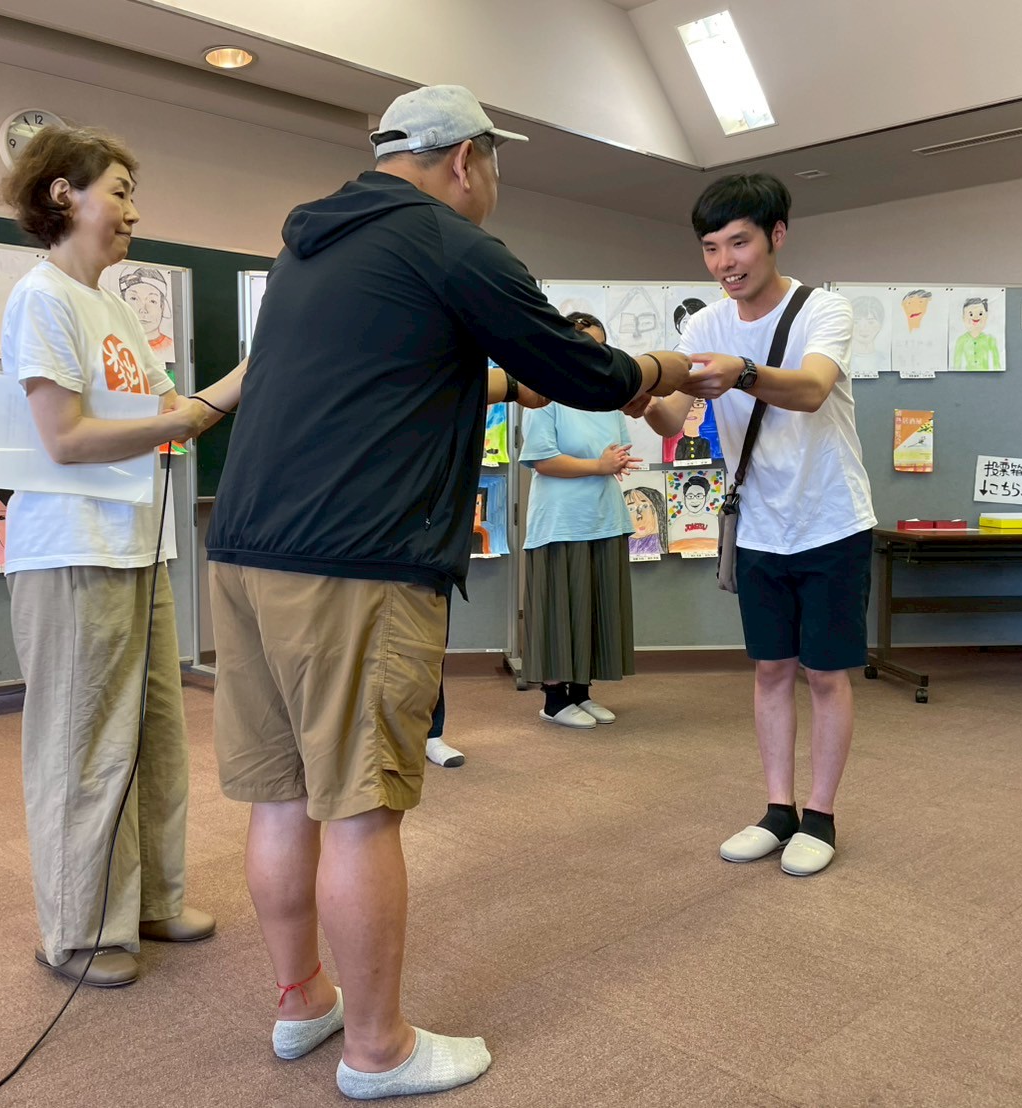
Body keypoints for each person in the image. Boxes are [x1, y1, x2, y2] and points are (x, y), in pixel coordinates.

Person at [206, 84, 691, 1100]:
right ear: (466, 158)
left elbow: (405, 373)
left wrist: (516, 378)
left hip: (246, 551)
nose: (494, 181)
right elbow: (584, 370)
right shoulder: (450, 243)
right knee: (360, 808)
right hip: (354, 562)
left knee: (282, 793)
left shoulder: (309, 248)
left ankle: (302, 1002)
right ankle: (377, 1050)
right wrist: (665, 363)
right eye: (495, 162)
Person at [0, 123, 246, 988]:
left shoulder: (114, 307)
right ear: (62, 193)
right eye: (120, 192)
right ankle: (79, 931)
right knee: (83, 744)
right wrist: (192, 414)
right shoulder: (42, 297)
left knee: (152, 737)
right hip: (71, 551)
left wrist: (245, 379)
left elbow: (175, 412)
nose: (134, 212)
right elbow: (65, 439)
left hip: (137, 546)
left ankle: (148, 901)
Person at [643, 172, 875, 878]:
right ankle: (778, 811)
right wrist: (637, 395)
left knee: (825, 673)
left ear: (776, 235)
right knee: (771, 669)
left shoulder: (822, 309)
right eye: (710, 248)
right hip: (757, 527)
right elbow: (673, 420)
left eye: (738, 243)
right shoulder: (702, 325)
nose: (724, 263)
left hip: (831, 519)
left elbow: (810, 389)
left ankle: (821, 815)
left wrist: (743, 371)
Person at [425, 364, 548, 769]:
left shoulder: (446, 377)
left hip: (428, 536)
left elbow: (478, 383)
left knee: (428, 642)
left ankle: (431, 733)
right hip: (361, 536)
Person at [521, 311, 639, 729]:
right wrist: (599, 465)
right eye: (584, 345)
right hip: (560, 521)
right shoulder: (543, 395)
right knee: (558, 611)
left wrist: (613, 462)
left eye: (600, 347)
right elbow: (543, 460)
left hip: (604, 517)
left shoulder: (608, 399)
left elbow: (615, 452)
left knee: (593, 608)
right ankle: (554, 701)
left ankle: (581, 693)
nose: (593, 354)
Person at [119, 266, 174, 361]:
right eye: (134, 299)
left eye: (152, 301)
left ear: (162, 306)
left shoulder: (170, 347)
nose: (143, 309)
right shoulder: (114, 346)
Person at [953, 296, 1001, 371]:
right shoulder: (961, 340)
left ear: (986, 317)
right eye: (971, 314)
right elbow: (956, 364)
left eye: (980, 314)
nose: (975, 317)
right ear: (963, 318)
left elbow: (997, 363)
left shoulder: (990, 339)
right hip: (966, 375)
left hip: (987, 375)